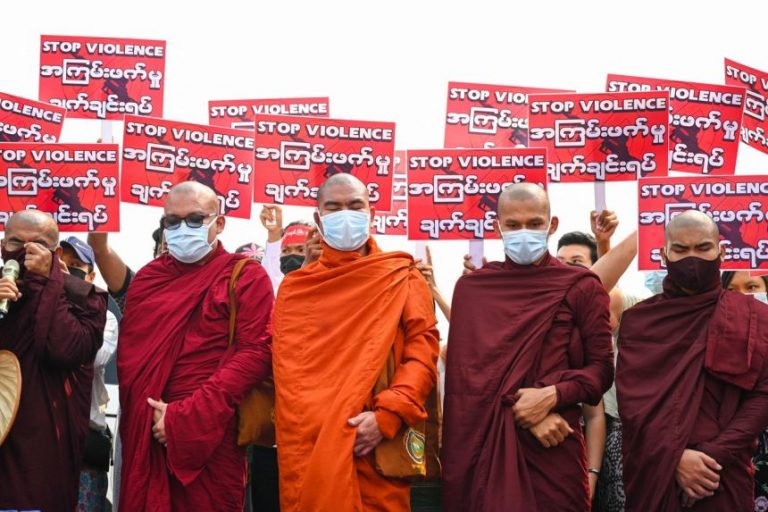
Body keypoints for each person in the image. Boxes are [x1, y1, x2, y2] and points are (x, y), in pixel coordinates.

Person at [442, 183, 614, 512]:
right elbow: (464, 383)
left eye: (535, 224)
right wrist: (526, 411)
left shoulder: (580, 286)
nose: (524, 233)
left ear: (552, 225)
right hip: (488, 448)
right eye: (513, 225)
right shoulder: (473, 290)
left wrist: (554, 394)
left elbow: (602, 370)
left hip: (554, 450)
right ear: (498, 227)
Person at [272, 174, 439, 511]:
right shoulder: (296, 288)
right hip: (311, 445)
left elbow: (422, 352)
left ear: (371, 214)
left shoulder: (402, 275)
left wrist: (388, 414)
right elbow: (288, 378)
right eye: (333, 208)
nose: (345, 214)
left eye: (354, 206)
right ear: (319, 219)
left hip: (375, 441)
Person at [117, 181, 274, 511]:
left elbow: (256, 353)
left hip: (212, 434)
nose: (181, 229)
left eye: (194, 219)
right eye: (172, 222)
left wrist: (185, 417)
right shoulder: (148, 278)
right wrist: (158, 415)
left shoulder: (245, 276)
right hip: (150, 432)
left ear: (218, 223)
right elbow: (132, 363)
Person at [617, 210, 768, 511]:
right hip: (656, 468)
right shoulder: (640, 321)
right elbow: (633, 406)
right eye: (681, 249)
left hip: (722, 471)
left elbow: (763, 394)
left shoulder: (753, 316)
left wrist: (714, 456)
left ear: (721, 251)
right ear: (664, 254)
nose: (692, 258)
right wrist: (675, 457)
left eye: (703, 248)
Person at [0, 210, 107, 511]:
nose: (25, 252)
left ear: (55, 252)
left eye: (37, 244)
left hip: (45, 448)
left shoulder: (85, 297)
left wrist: (49, 285)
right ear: (2, 247)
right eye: (15, 242)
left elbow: (64, 349)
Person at [87, 226, 163, 512]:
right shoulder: (142, 294)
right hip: (143, 418)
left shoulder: (217, 288)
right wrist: (100, 218)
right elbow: (101, 250)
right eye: (164, 248)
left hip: (197, 418)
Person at [58, 237, 120, 512]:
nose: (64, 269)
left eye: (74, 266)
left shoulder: (104, 316)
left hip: (84, 445)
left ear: (91, 275)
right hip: (37, 445)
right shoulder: (28, 305)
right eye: (59, 262)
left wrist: (66, 293)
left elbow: (88, 357)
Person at [720, 270, 768, 511]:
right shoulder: (714, 343)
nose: (742, 297)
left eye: (751, 287)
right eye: (731, 290)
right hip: (735, 456)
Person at [259, 204, 313, 292]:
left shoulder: (327, 286)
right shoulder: (279, 289)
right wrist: (274, 233)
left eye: (301, 250)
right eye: (285, 250)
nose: (292, 256)